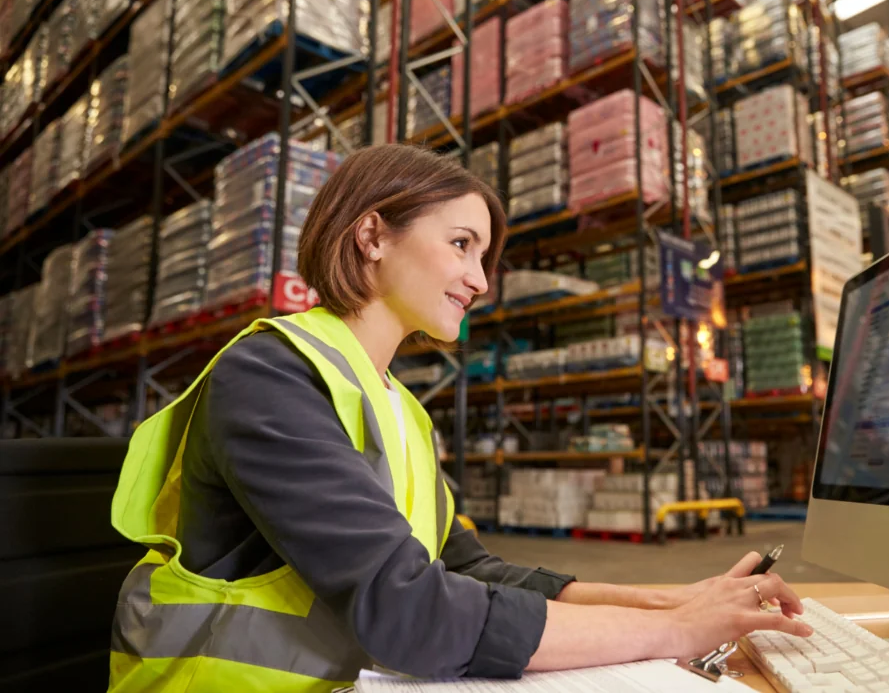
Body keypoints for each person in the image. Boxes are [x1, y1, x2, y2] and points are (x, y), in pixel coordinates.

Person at [107, 144, 812, 692]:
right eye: (461, 244)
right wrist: (676, 631)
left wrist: (670, 603)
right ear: (372, 235)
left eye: (485, 256)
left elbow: (468, 570)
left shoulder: (400, 408)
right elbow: (411, 611)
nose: (480, 280)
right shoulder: (269, 375)